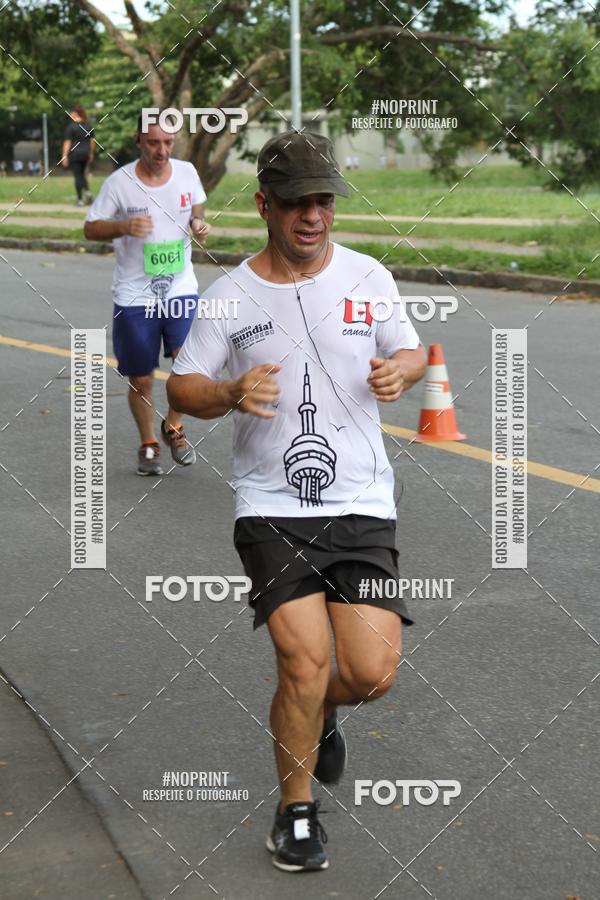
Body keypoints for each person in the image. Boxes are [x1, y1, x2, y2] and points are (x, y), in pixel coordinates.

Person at [167, 131, 426, 872]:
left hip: (362, 501)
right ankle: (297, 810)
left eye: (324, 201)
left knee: (370, 672)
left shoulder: (368, 276)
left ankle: (321, 718)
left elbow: (409, 349)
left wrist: (402, 373)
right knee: (303, 662)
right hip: (271, 505)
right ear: (264, 205)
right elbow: (183, 386)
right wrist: (225, 391)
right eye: (296, 202)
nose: (313, 216)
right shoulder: (230, 297)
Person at [83, 112, 211, 475]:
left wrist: (197, 223)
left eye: (168, 143)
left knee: (187, 365)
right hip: (135, 294)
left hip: (180, 287)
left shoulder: (187, 172)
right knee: (140, 378)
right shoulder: (119, 183)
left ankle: (173, 426)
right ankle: (148, 443)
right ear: (139, 140)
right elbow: (90, 229)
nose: (162, 150)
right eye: (153, 142)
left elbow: (195, 207)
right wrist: (123, 225)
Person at [62, 105, 95, 206]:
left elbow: (67, 142)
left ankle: (80, 200)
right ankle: (88, 193)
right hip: (85, 153)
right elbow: (92, 141)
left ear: (75, 114)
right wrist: (91, 153)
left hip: (75, 154)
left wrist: (64, 156)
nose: (70, 115)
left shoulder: (71, 127)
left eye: (71, 113)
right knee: (82, 175)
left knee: (77, 176)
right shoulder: (88, 126)